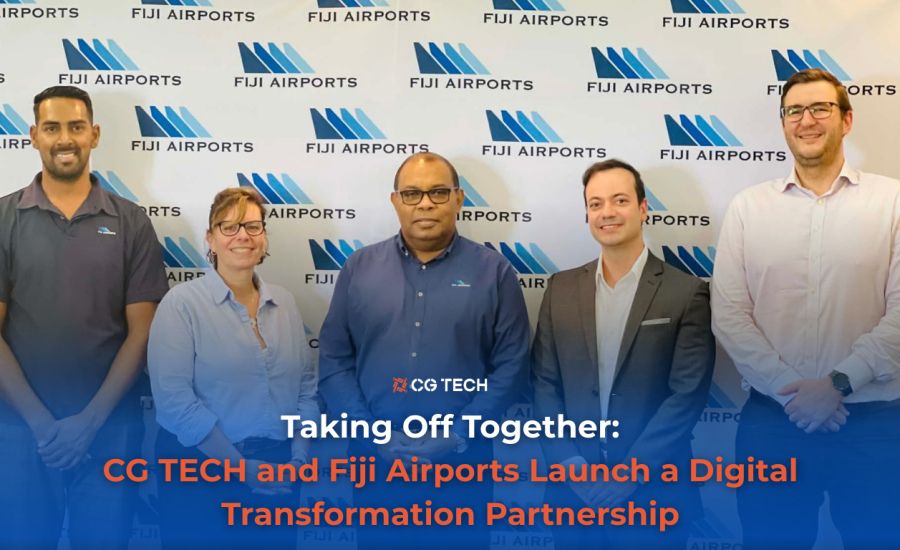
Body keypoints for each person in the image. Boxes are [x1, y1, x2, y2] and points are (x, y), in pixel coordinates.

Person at [712, 68, 900, 550]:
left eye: (821, 108)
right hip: (773, 426)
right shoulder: (748, 208)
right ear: (783, 123)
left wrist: (837, 383)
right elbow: (730, 315)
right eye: (795, 110)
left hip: (874, 427)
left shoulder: (893, 201)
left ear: (847, 120)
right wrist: (792, 394)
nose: (807, 120)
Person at [318, 152, 530, 550]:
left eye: (437, 192)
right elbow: (333, 361)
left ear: (459, 198)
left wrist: (455, 435)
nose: (426, 203)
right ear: (396, 200)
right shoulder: (359, 267)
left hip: (464, 464)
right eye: (412, 194)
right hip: (375, 463)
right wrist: (373, 434)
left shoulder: (495, 272)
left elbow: (512, 368)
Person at [0, 86, 169, 549]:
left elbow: (142, 334)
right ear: (33, 136)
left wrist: (90, 422)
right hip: (19, 431)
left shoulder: (131, 221)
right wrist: (39, 423)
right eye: (51, 128)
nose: (64, 138)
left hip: (110, 431)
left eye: (76, 127)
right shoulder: (4, 218)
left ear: (94, 135)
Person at [531, 159, 715, 550]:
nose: (607, 213)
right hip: (573, 494)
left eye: (619, 200)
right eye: (595, 203)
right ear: (587, 214)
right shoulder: (561, 289)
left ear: (643, 208)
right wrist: (568, 465)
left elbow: (687, 395)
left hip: (654, 494)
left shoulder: (686, 292)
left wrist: (631, 473)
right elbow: (544, 385)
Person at [148, 187, 318, 550]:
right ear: (210, 238)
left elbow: (305, 389)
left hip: (280, 469)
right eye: (229, 226)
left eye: (253, 226)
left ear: (265, 237)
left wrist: (299, 458)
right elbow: (175, 402)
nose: (243, 235)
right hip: (200, 470)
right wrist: (241, 469)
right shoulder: (181, 304)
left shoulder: (285, 302)